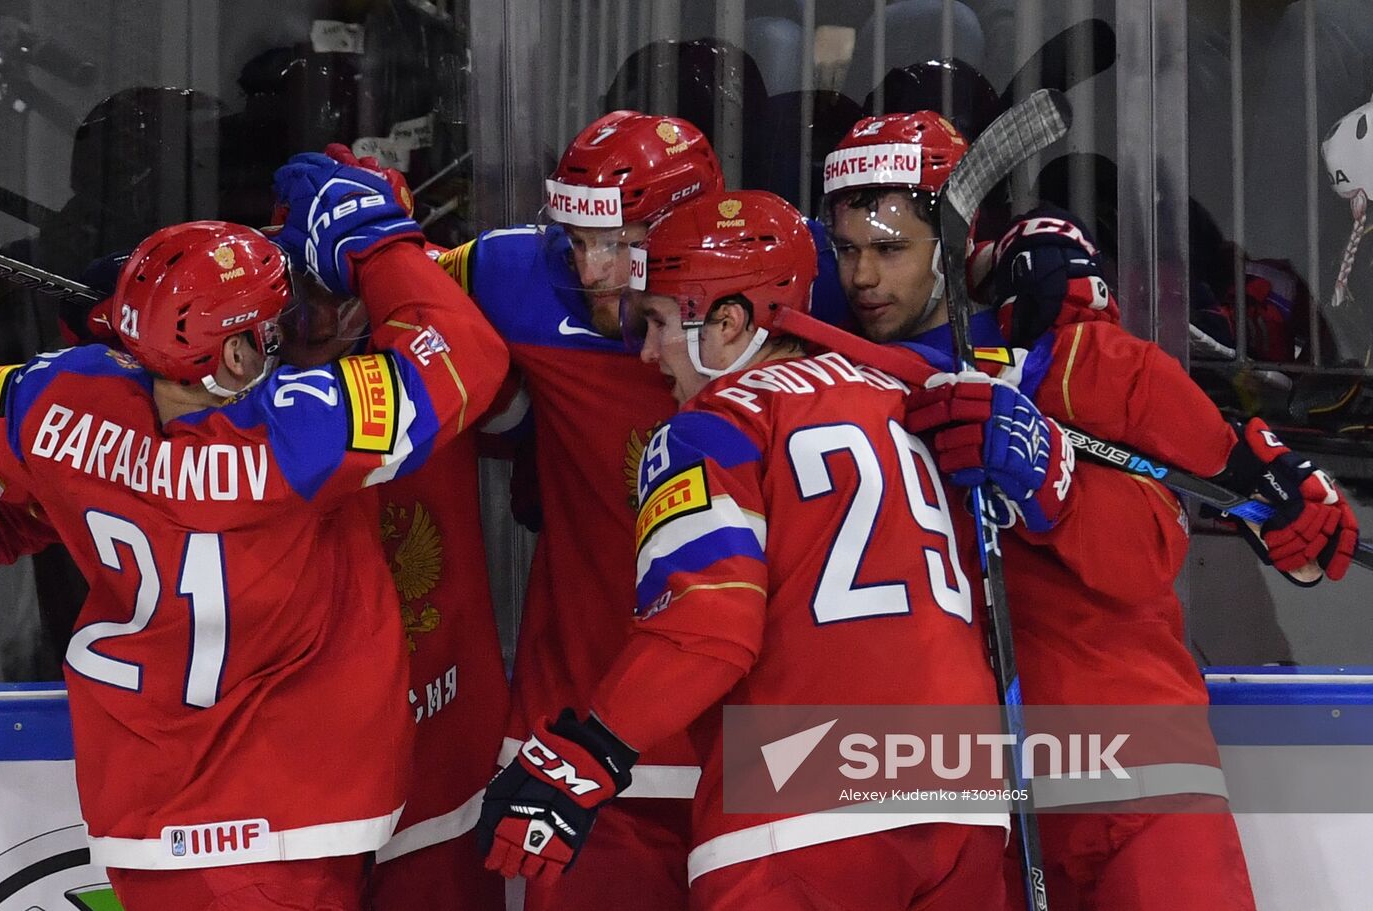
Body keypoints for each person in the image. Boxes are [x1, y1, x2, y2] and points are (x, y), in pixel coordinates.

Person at [476, 189, 1079, 910]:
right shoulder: (904, 400)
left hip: (796, 808)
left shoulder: (713, 426)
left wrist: (584, 754)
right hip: (962, 804)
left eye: (660, 321)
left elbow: (706, 629)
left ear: (728, 322)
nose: (646, 352)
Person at [821, 109, 1353, 910]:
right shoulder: (829, 373)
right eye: (847, 249)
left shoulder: (1066, 354)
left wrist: (1055, 479)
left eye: (890, 249)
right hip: (967, 795)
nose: (863, 276)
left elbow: (1155, 544)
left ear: (954, 241)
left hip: (1134, 765)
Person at [0, 151, 508, 910]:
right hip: (267, 832)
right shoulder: (293, 434)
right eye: (274, 322)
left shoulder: (60, 396)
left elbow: (25, 469)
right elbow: (464, 356)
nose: (292, 329)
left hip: (153, 822)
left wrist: (139, 320)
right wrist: (374, 240)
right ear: (233, 353)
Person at [432, 109, 732, 909]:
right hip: (577, 738)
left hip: (751, 752)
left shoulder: (796, 280)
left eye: (620, 244)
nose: (592, 270)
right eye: (577, 241)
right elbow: (396, 303)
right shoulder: (515, 276)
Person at [277, 146, 511, 911]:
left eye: (348, 289)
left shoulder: (447, 344)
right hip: (300, 773)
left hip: (442, 755)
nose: (318, 318)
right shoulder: (230, 384)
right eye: (300, 288)